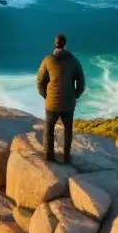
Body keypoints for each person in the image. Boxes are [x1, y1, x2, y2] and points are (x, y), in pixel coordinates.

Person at [36, 33, 86, 164]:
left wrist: (46, 96)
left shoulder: (48, 60)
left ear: (55, 43)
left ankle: (48, 156)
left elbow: (40, 81)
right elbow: (81, 82)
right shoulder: (74, 61)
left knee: (49, 129)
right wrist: (75, 95)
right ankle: (66, 157)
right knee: (68, 129)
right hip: (68, 103)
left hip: (51, 103)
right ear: (65, 44)